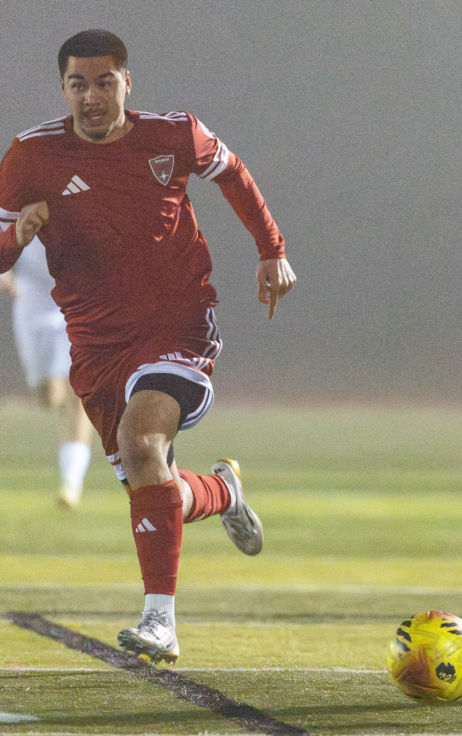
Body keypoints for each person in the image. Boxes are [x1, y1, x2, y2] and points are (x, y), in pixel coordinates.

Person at [0, 30, 296, 663]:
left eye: (104, 81)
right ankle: (222, 491)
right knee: (151, 481)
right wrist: (16, 238)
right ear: (63, 90)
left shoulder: (173, 134)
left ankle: (160, 621)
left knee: (142, 443)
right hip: (96, 345)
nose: (92, 96)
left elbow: (232, 173)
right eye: (78, 84)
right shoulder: (30, 155)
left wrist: (271, 249)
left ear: (127, 83)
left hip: (177, 324)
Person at [0, 236, 92, 508]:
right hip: (33, 296)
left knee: (79, 391)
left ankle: (71, 483)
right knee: (49, 396)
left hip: (78, 296)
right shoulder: (20, 204)